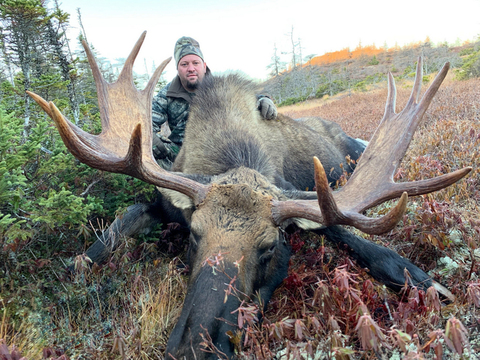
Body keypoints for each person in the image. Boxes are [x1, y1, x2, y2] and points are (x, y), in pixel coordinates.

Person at [151, 36, 277, 168]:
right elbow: (147, 121)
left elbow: (247, 97)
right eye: (184, 64)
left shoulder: (221, 85)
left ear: (204, 66)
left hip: (222, 147)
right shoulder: (166, 95)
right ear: (178, 68)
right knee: (155, 161)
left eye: (195, 63)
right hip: (182, 152)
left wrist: (264, 99)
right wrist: (151, 139)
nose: (191, 68)